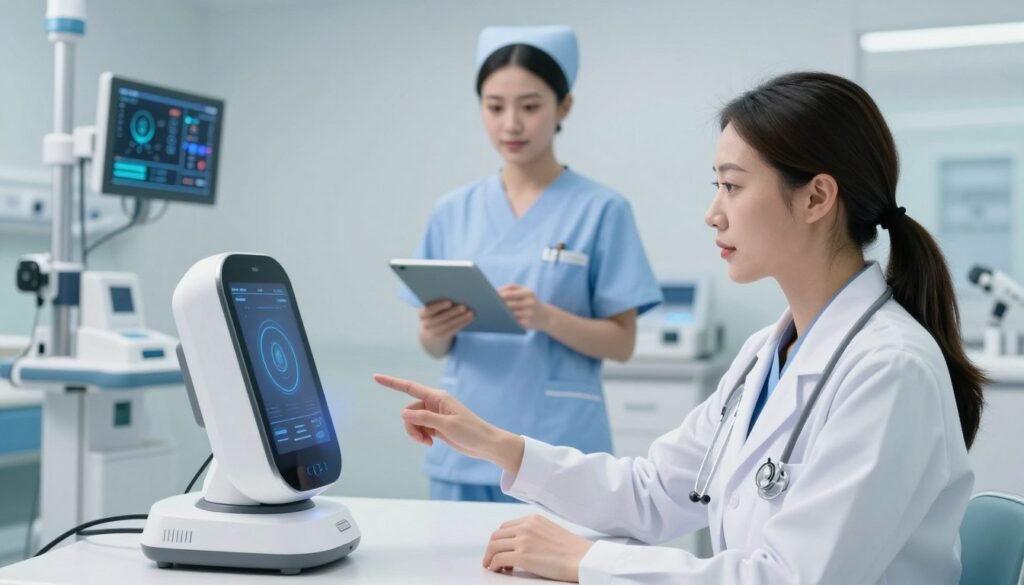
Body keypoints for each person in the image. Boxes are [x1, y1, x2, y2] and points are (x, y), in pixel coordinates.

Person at [379, 71, 987, 583]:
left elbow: (788, 578)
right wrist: (493, 441)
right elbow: (652, 492)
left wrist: (588, 560)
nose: (712, 212)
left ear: (816, 198)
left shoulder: (889, 370)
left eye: (732, 185)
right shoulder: (764, 355)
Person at [400, 25, 662, 503]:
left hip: (558, 455)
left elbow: (622, 343)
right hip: (461, 451)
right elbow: (433, 347)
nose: (511, 125)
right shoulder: (451, 210)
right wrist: (436, 330)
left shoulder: (602, 210)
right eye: (495, 107)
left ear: (564, 106)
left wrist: (545, 317)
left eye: (531, 106)